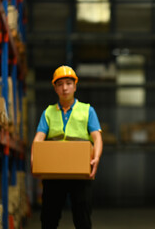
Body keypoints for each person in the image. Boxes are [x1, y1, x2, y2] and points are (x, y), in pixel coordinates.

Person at [32, 65, 103, 229]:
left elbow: (97, 138)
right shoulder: (48, 112)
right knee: (48, 219)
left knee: (82, 218)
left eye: (68, 83)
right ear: (55, 87)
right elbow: (38, 139)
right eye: (60, 84)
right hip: (54, 174)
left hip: (80, 173)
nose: (64, 87)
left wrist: (96, 158)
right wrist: (35, 162)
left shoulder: (87, 110)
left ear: (75, 86)